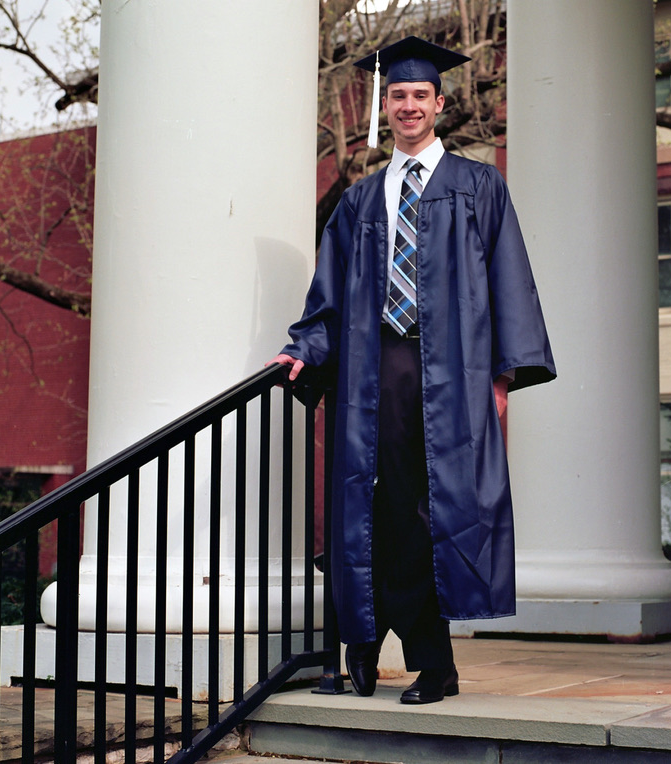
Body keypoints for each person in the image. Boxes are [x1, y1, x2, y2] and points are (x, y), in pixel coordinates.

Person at [270, 36, 555, 705]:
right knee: (374, 509)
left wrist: (502, 377)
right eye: (397, 96)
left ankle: (435, 663)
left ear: (439, 103)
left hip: (452, 376)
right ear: (387, 105)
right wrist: (303, 348)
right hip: (375, 374)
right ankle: (361, 657)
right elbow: (330, 296)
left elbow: (510, 282)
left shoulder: (478, 187)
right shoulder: (362, 203)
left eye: (418, 96)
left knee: (436, 515)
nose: (407, 106)